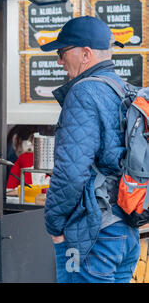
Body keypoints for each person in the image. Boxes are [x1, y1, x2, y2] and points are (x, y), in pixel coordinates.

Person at [41, 16, 140, 283]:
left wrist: (54, 225)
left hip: (92, 237)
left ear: (85, 53)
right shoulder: (126, 91)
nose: (59, 61)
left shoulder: (84, 93)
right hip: (126, 234)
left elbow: (71, 173)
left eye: (62, 53)